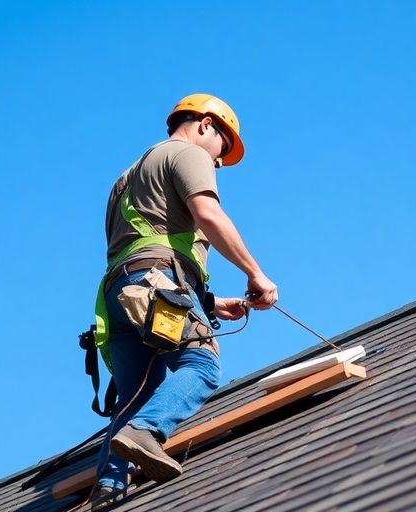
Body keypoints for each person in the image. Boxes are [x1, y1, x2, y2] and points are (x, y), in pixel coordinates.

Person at [92, 93, 278, 506]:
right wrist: (255, 273)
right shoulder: (186, 153)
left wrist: (206, 304)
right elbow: (208, 217)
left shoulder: (127, 176)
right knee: (201, 364)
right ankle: (146, 433)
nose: (217, 163)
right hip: (156, 284)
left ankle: (108, 484)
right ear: (206, 125)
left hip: (122, 296)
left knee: (138, 392)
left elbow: (143, 246)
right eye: (222, 151)